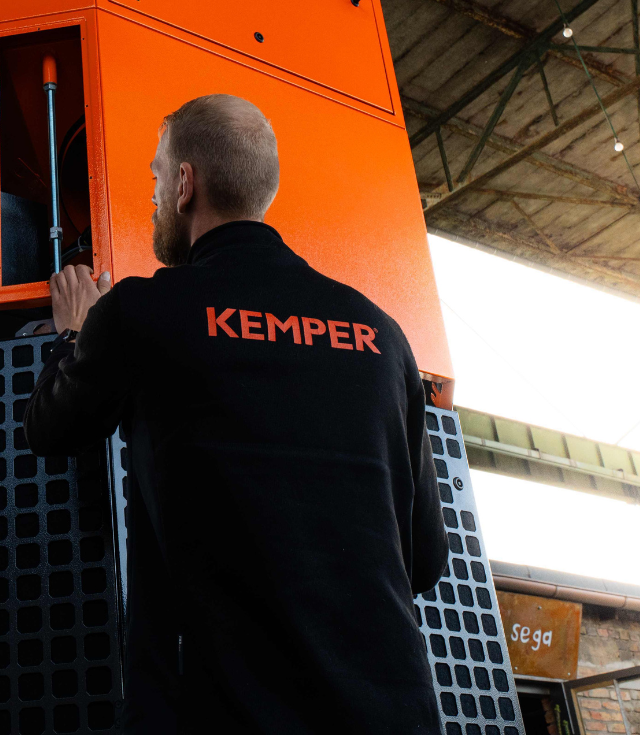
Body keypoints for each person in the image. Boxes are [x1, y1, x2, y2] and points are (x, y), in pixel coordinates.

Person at [24, 94, 447, 734]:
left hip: (225, 712)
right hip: (395, 712)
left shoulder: (142, 314)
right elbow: (424, 560)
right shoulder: (383, 336)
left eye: (158, 176)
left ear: (186, 183)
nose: (155, 194)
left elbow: (50, 429)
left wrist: (72, 336)